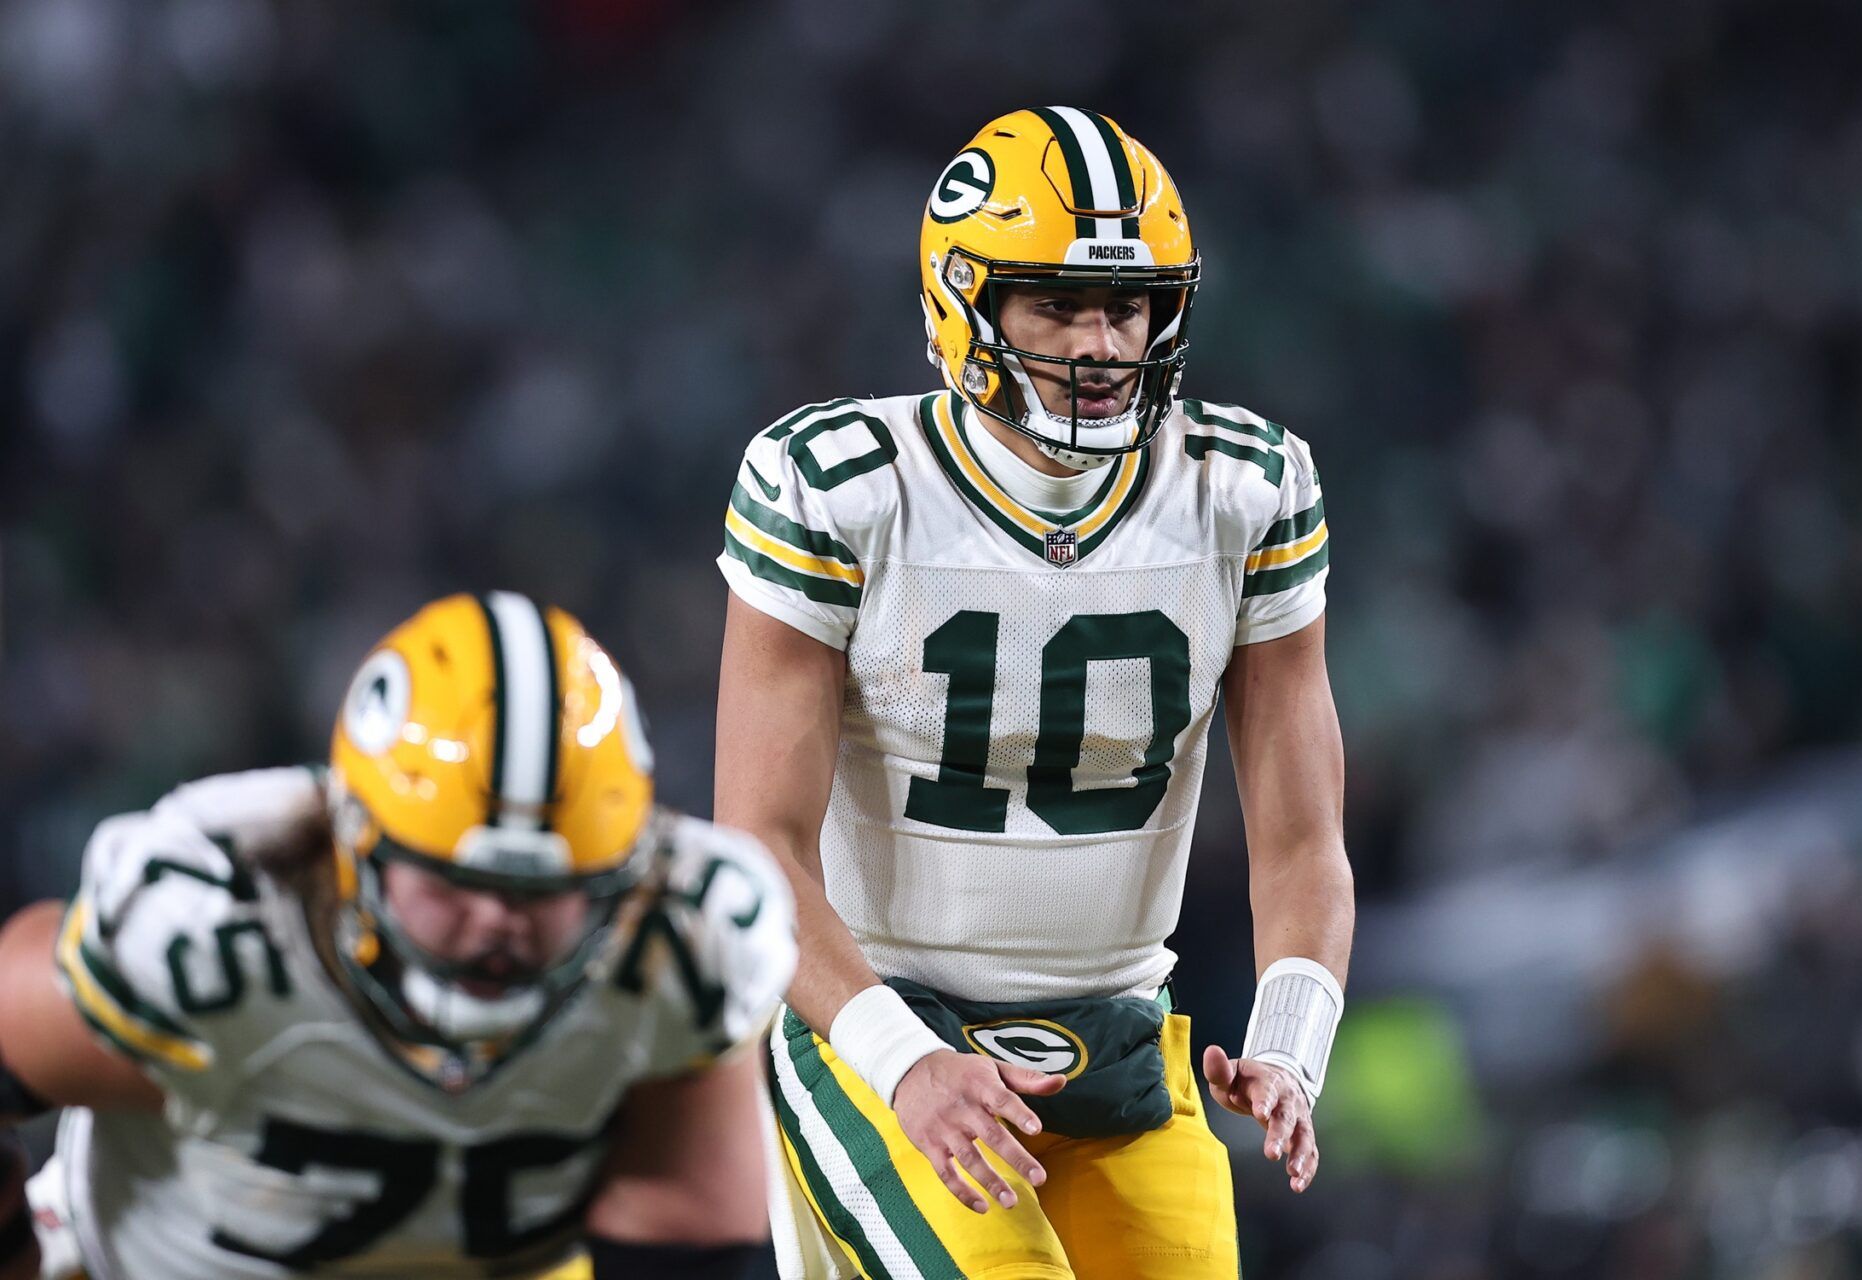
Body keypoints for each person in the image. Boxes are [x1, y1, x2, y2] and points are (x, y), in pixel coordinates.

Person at [714, 106, 1353, 1279]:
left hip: (1117, 1034)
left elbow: (1305, 839)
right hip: (879, 1019)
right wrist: (903, 1059)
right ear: (965, 302)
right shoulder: (840, 488)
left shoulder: (1246, 490)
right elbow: (755, 846)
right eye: (1056, 302)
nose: (1103, 343)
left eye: (1127, 304)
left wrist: (1290, 1042)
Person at [0, 591, 796, 1280]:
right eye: (455, 881)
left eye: (540, 890)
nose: (497, 923)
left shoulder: (682, 946)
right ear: (353, 841)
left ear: (623, 873)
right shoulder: (217, 933)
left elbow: (682, 1232)